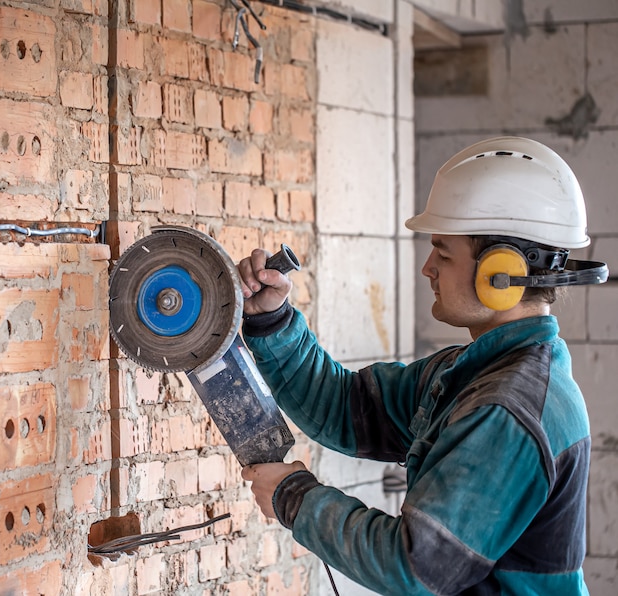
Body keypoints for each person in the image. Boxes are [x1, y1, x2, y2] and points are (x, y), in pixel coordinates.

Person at [238, 137, 608, 595]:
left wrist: (295, 496)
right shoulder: (474, 375)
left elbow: (415, 565)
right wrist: (272, 321)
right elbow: (346, 409)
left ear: (501, 275)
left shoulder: (507, 408)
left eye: (444, 253)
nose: (428, 268)